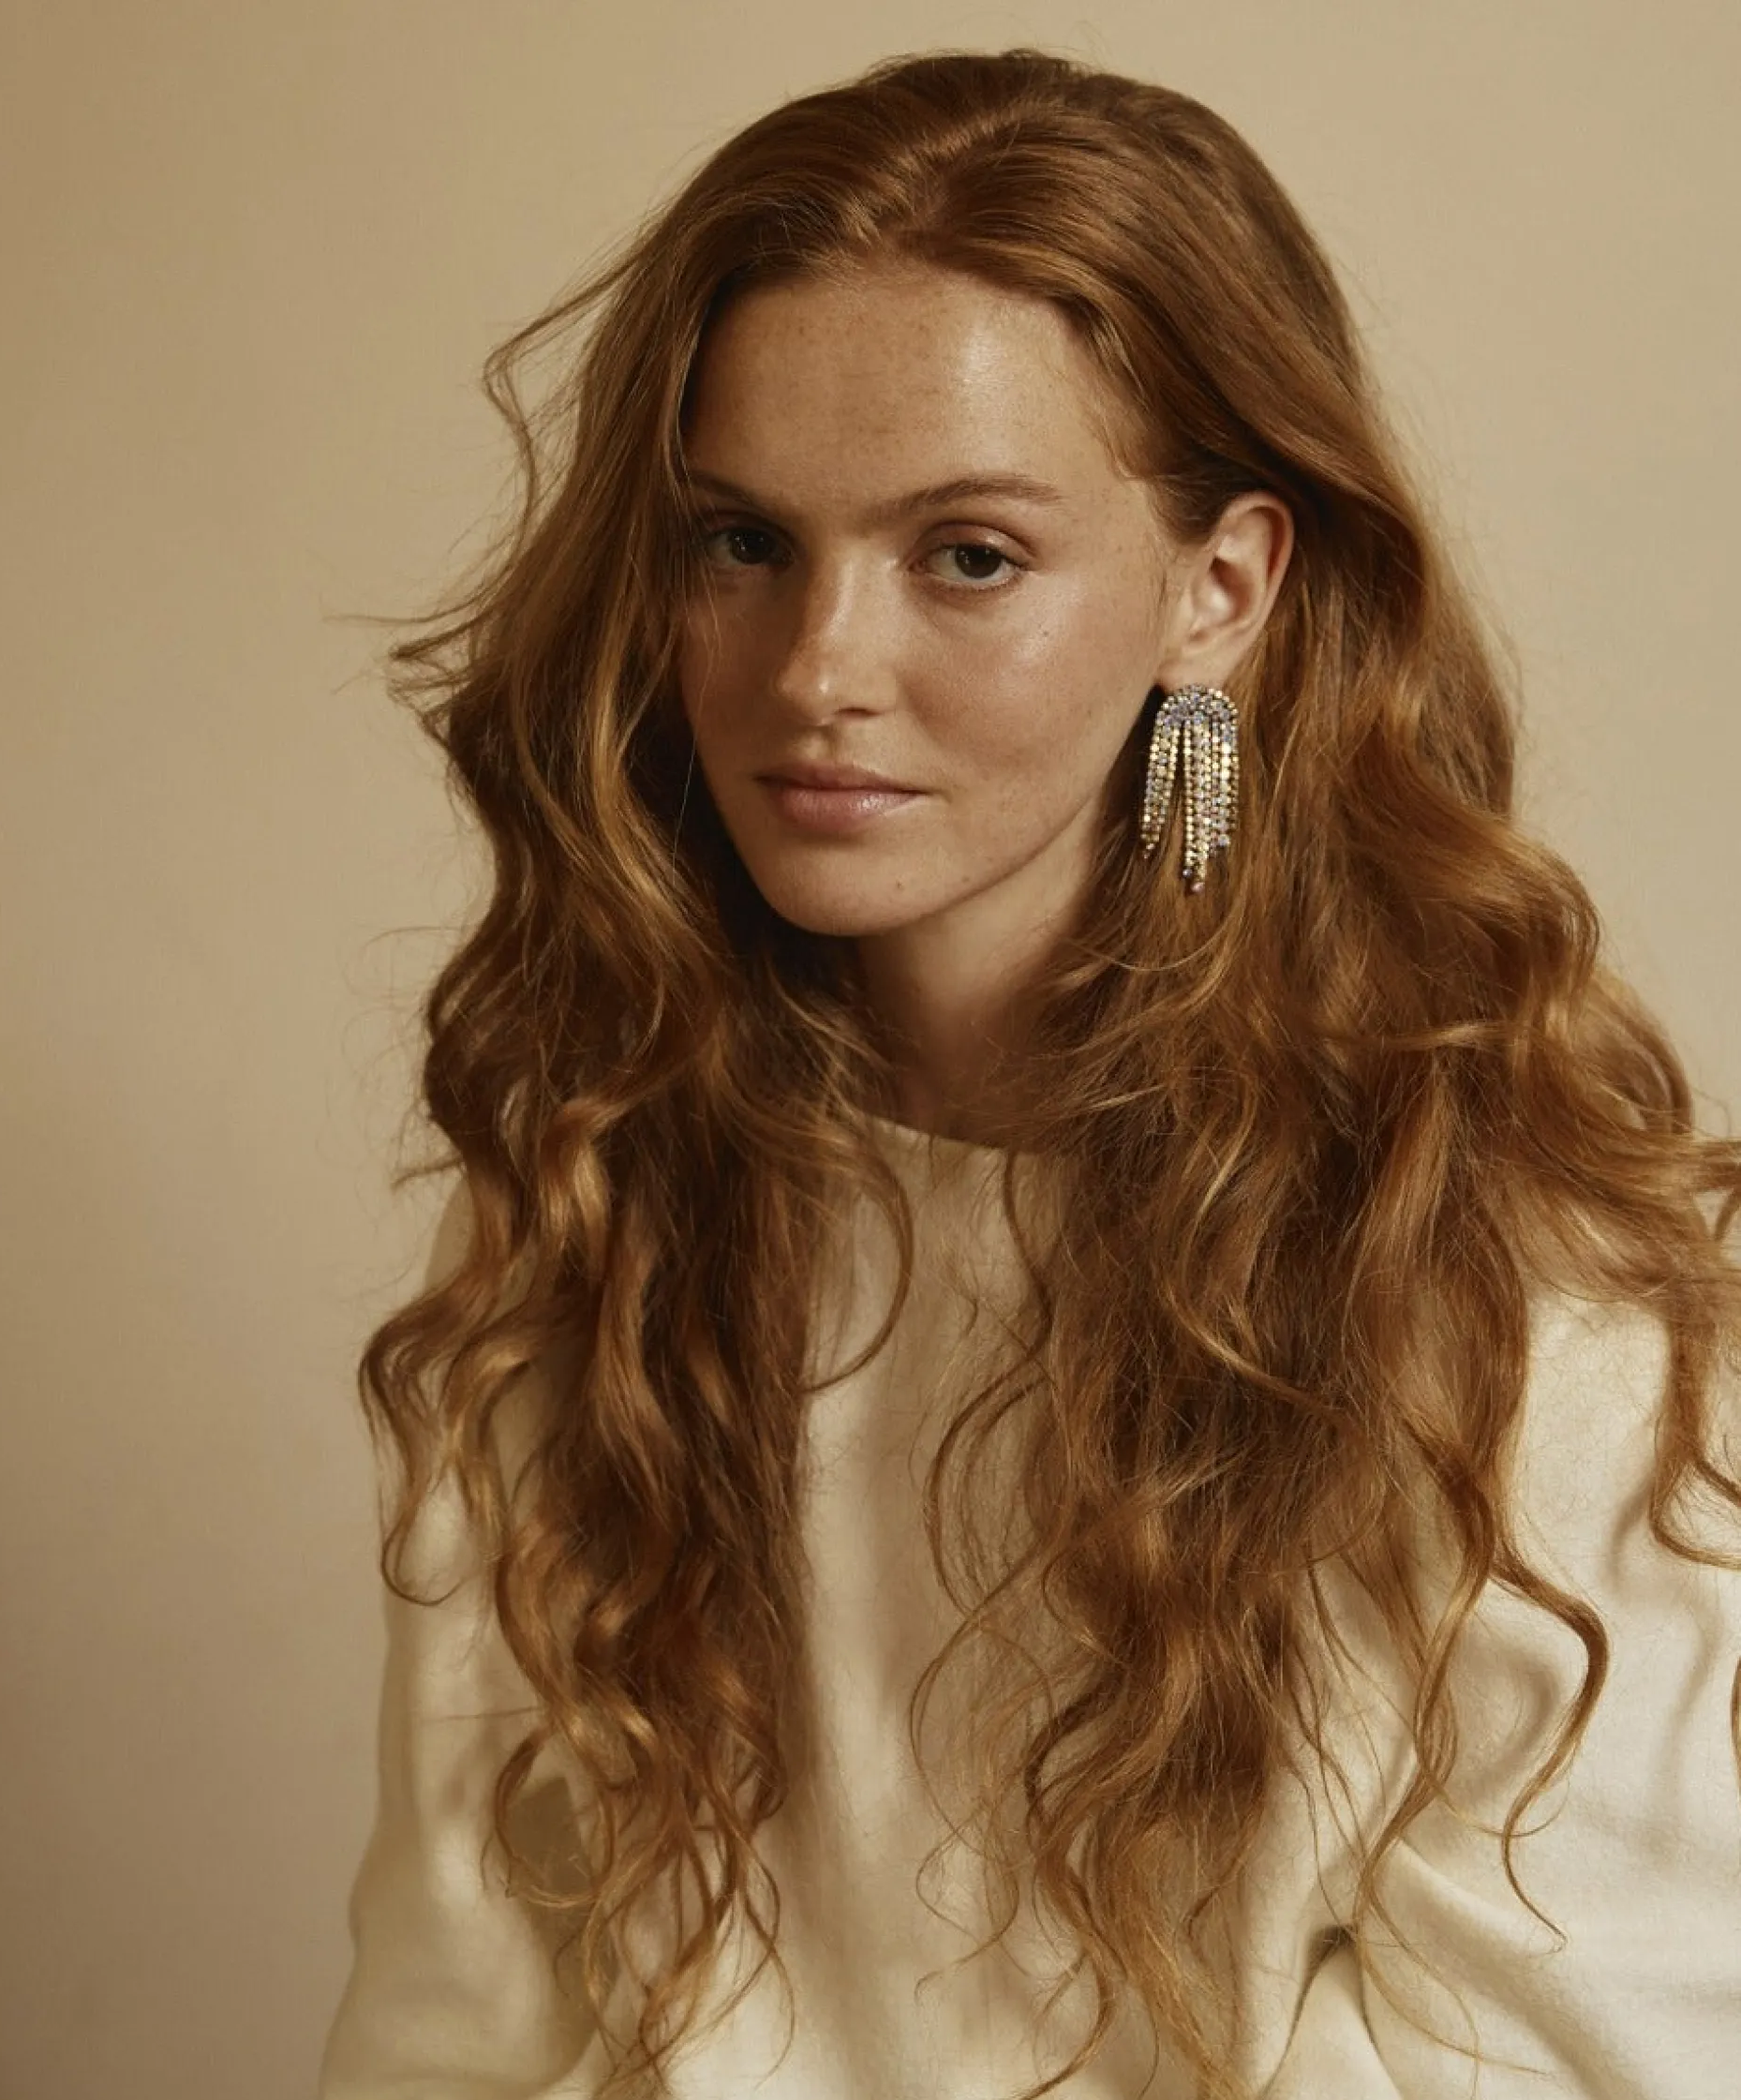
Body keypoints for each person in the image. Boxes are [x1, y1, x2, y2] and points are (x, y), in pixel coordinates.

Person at [318, 47, 1741, 2100]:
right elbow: (451, 2016)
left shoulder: (1530, 1297)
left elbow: (1581, 2057)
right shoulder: (598, 1195)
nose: (816, 668)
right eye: (741, 543)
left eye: (966, 555)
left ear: (1219, 590)